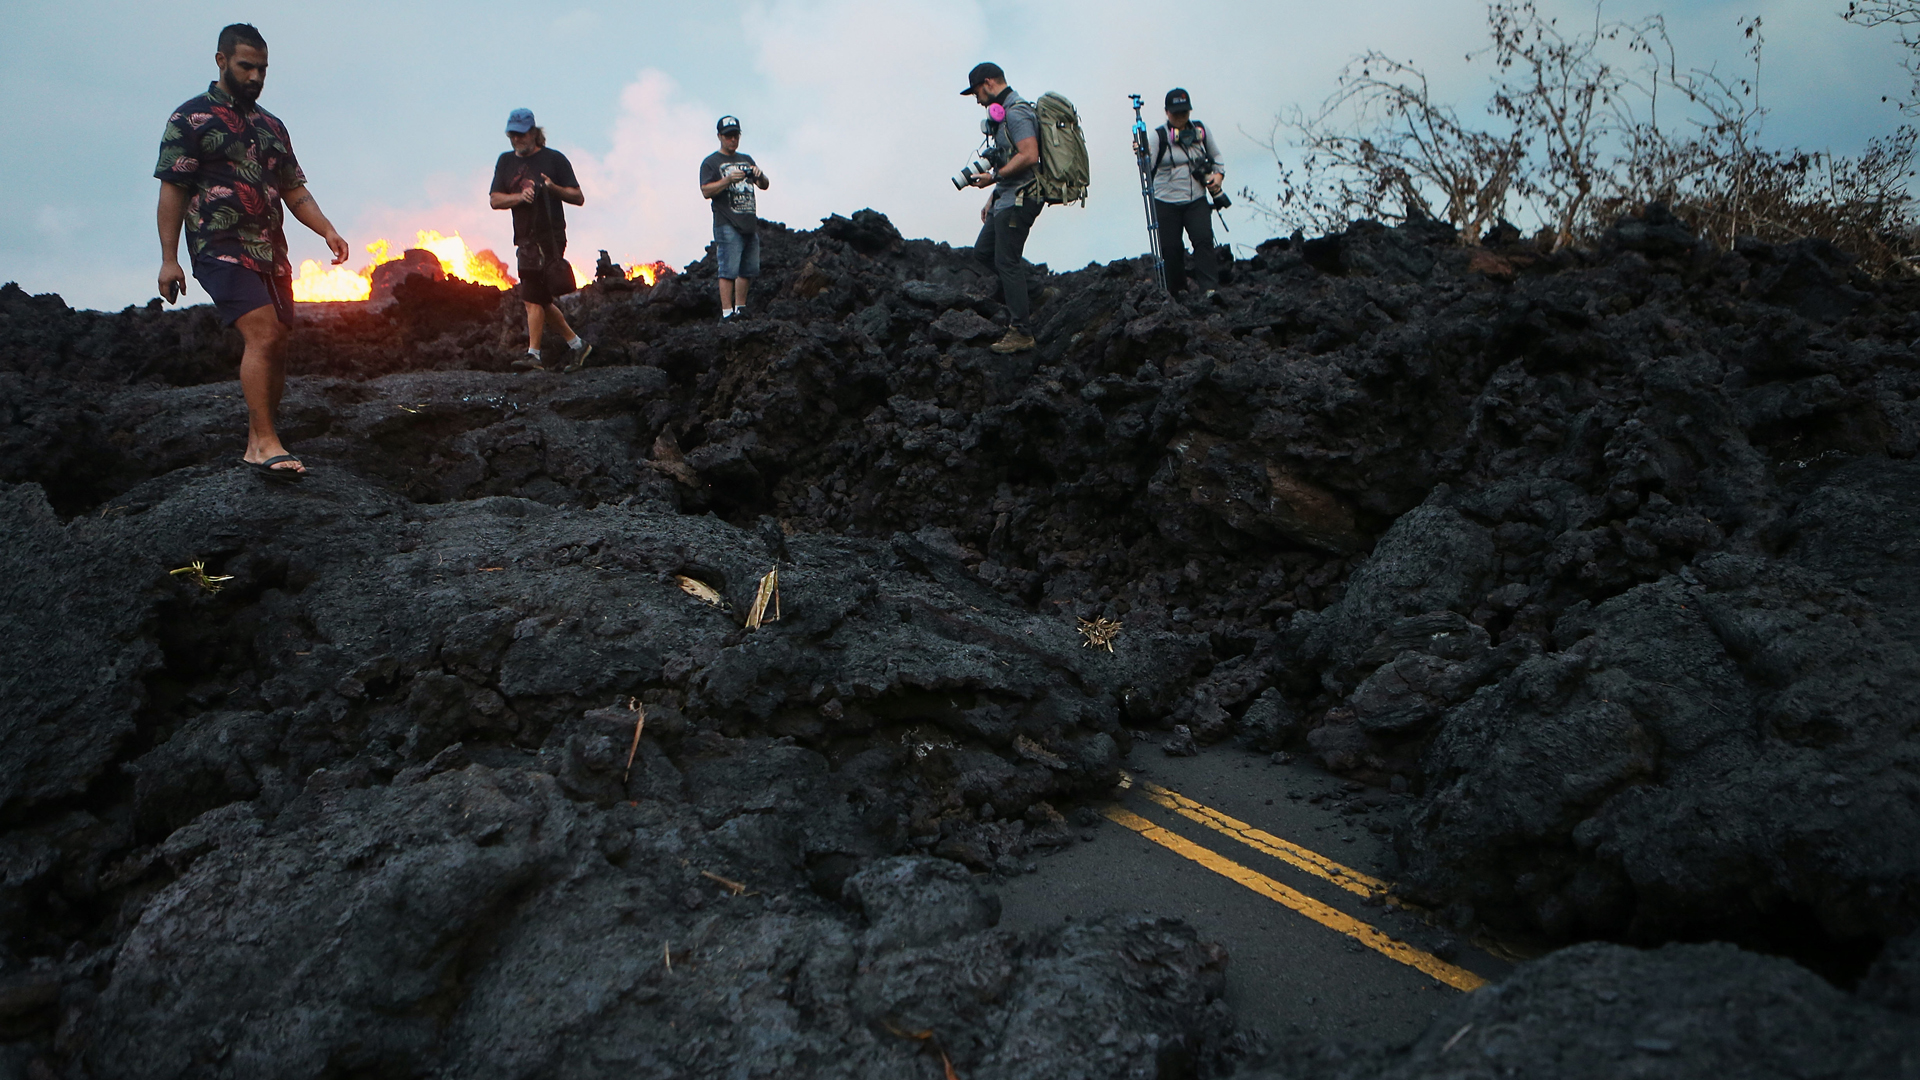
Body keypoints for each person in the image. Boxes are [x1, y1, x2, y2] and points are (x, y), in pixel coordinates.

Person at [155, 23, 348, 481]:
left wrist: (327, 230)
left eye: (262, 68)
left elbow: (294, 190)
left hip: (271, 251)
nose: (256, 76)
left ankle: (256, 442)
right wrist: (169, 258)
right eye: (246, 66)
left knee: (277, 341)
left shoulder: (271, 125)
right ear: (221, 61)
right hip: (217, 245)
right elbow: (173, 192)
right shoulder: (190, 119)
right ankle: (265, 444)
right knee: (262, 334)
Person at [490, 108, 592, 372]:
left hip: (551, 238)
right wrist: (519, 198)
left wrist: (553, 188)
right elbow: (495, 199)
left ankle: (534, 355)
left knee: (532, 297)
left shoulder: (554, 160)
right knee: (539, 299)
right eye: (512, 135)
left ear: (534, 133)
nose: (516, 140)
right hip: (524, 238)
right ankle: (578, 345)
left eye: (521, 135)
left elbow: (578, 196)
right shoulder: (505, 162)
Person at [962, 62, 1043, 354]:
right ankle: (1038, 292)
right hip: (1005, 197)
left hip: (1022, 198)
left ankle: (1022, 332)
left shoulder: (1017, 112)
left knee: (1007, 261)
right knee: (983, 253)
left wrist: (994, 177)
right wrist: (993, 196)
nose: (977, 99)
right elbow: (1010, 157)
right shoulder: (1004, 115)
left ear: (988, 82)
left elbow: (1030, 155)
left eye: (976, 92)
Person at [1147, 88, 1226, 302]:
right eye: (1175, 112)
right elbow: (1147, 166)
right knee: (1171, 248)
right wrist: (1140, 151)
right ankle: (1176, 290)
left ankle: (1209, 289)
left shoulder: (1202, 131)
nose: (1180, 116)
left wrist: (1218, 177)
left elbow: (1216, 156)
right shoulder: (1157, 137)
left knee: (1203, 241)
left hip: (1196, 199)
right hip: (1165, 201)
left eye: (1184, 111)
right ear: (1167, 112)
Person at [699, 116, 769, 319]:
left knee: (747, 269)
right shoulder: (711, 163)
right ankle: (727, 313)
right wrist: (728, 180)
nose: (732, 140)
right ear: (719, 136)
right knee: (728, 268)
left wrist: (760, 175)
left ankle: (741, 309)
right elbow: (705, 191)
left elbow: (764, 185)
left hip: (749, 222)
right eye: (728, 136)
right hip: (727, 222)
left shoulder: (746, 159)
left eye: (735, 135)